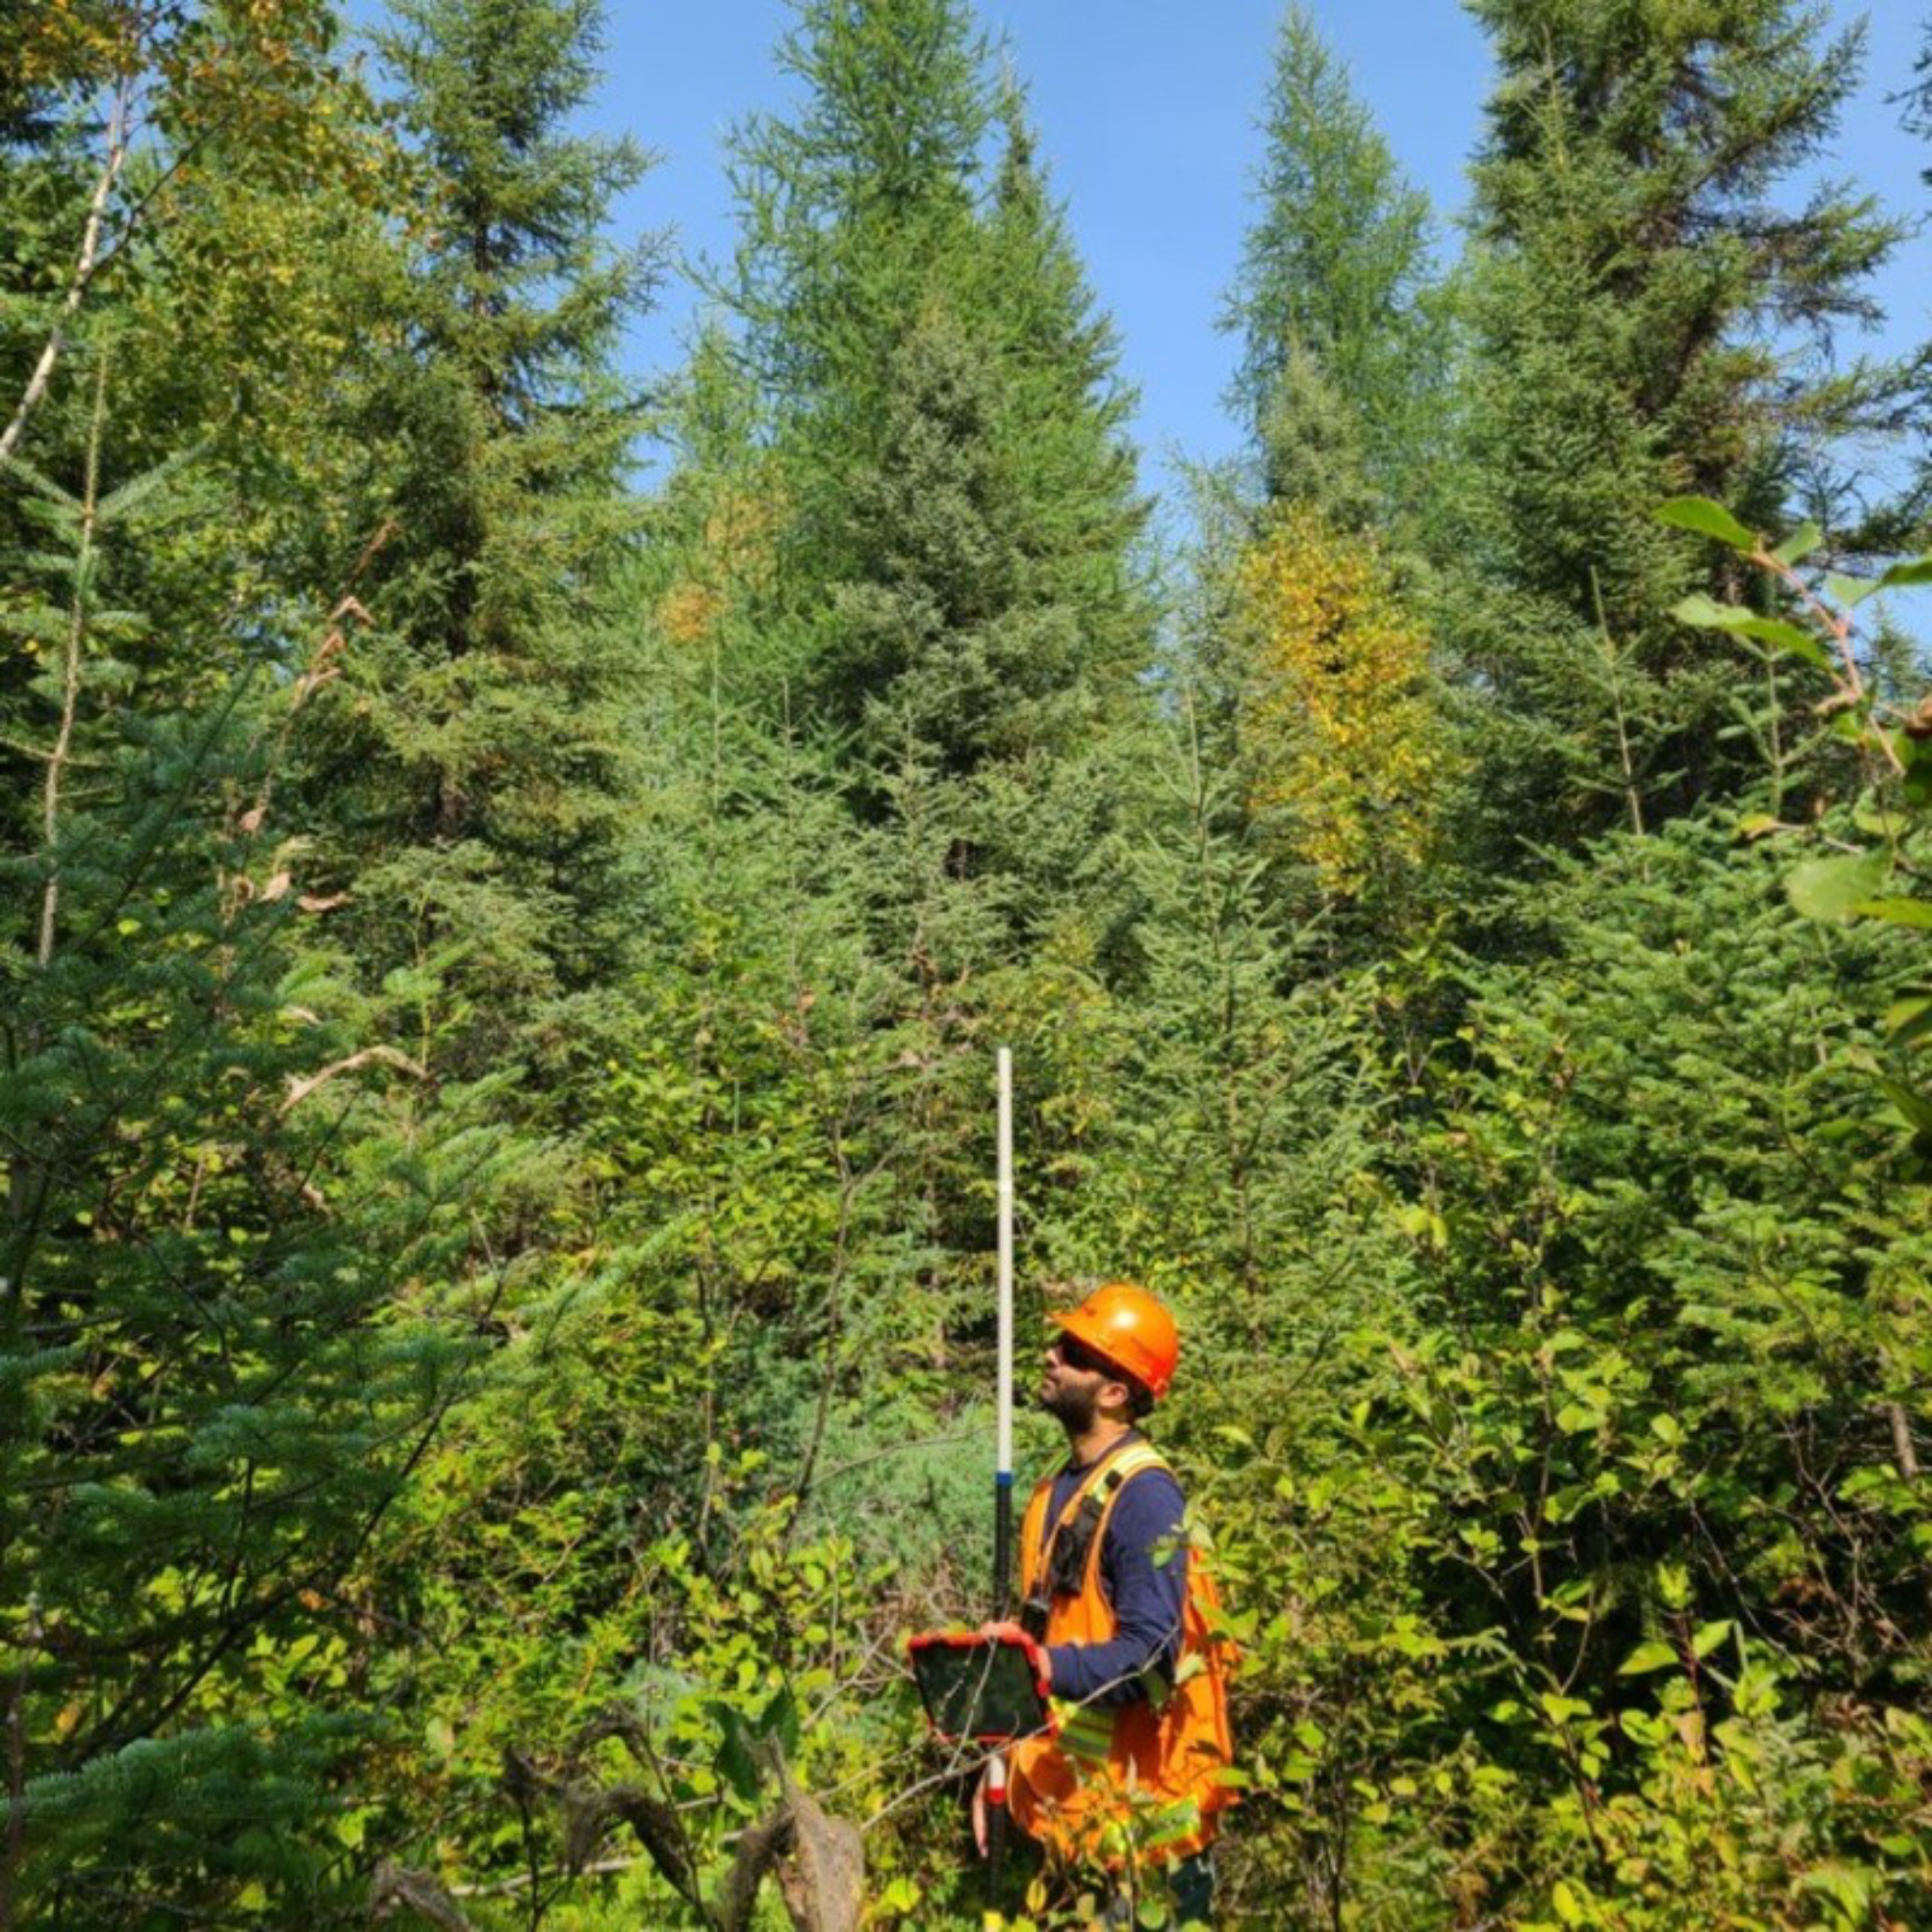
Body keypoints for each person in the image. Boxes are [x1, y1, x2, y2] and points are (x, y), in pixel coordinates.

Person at [977, 1282, 1235, 1926]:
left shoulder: (1146, 1500)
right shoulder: (1057, 1489)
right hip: (1083, 1818)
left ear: (1115, 1392)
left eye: (1072, 1351)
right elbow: (1048, 1635)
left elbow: (1150, 1656)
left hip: (1151, 1837)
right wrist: (999, 1758)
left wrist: (1041, 1668)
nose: (1050, 1357)